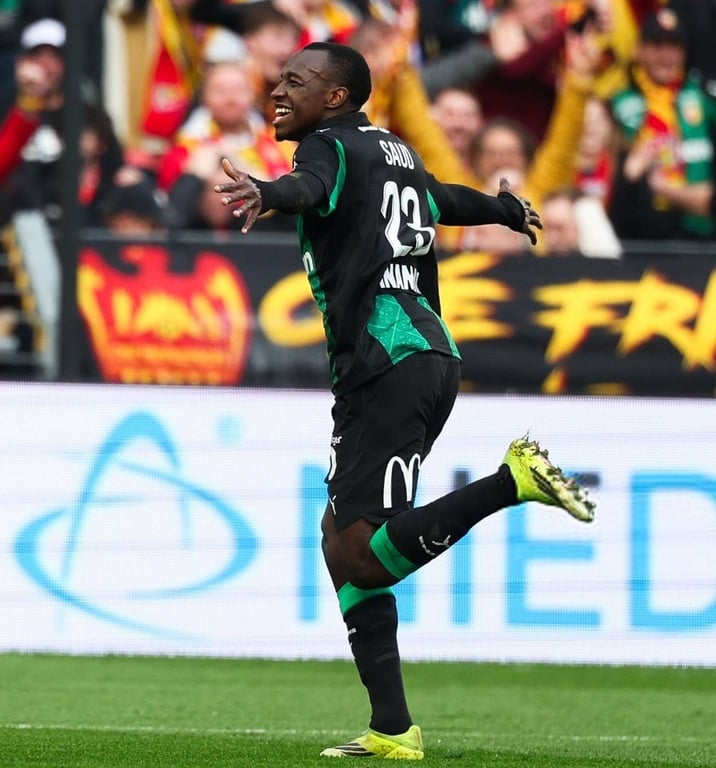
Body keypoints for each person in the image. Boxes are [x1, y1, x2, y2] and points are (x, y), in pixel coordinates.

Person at [215, 42, 595, 760]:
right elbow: (442, 199)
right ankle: (391, 728)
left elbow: (308, 186)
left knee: (363, 554)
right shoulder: (391, 150)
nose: (279, 90)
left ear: (335, 97)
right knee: (340, 539)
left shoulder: (326, 146)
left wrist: (268, 191)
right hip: (415, 355)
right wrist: (503, 209)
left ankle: (511, 481)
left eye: (297, 80)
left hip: (387, 359)